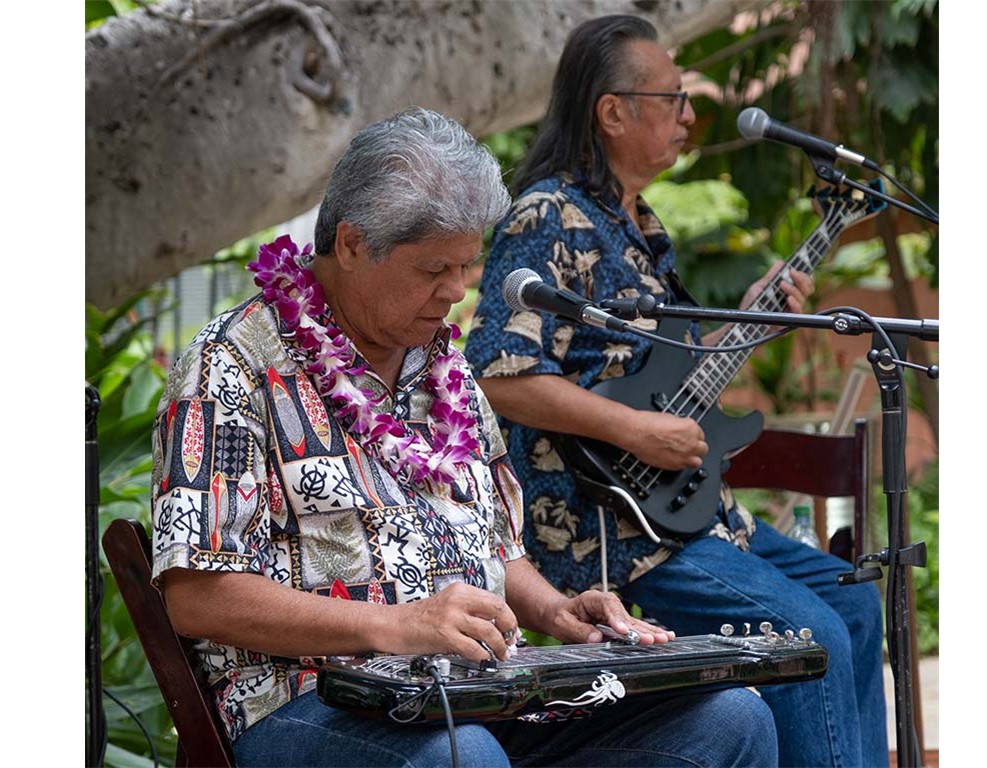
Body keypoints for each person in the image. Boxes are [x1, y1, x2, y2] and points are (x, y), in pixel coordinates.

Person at [150, 106, 778, 767]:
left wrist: (557, 610)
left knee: (728, 718)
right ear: (354, 244)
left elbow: (498, 553)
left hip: (480, 694)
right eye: (432, 270)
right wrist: (393, 627)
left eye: (465, 266)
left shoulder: (446, 368)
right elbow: (198, 594)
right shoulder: (233, 362)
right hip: (308, 704)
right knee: (462, 758)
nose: (455, 291)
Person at [464, 15, 889, 768]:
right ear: (613, 110)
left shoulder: (642, 229)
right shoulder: (546, 215)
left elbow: (664, 383)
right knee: (809, 637)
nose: (691, 116)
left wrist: (754, 313)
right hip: (608, 533)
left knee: (854, 600)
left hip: (689, 517)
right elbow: (503, 376)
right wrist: (635, 434)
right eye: (674, 98)